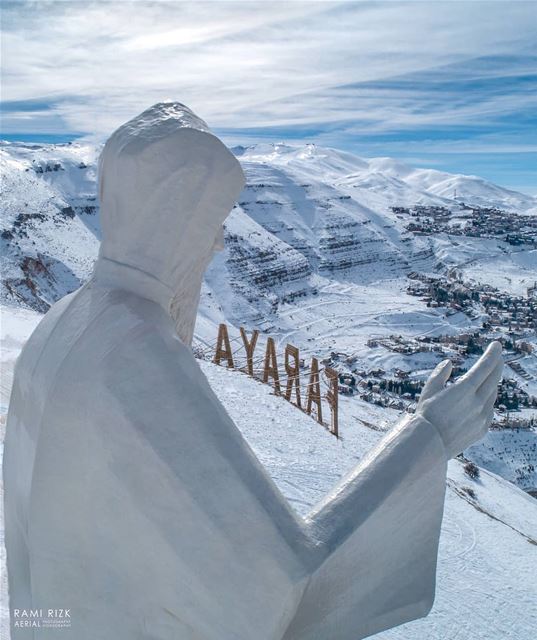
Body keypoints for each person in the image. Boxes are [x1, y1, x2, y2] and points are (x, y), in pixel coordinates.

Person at [3, 103, 503, 640]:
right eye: (212, 223)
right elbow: (285, 594)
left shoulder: (67, 316)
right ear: (178, 217)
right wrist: (429, 437)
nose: (218, 244)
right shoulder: (135, 354)